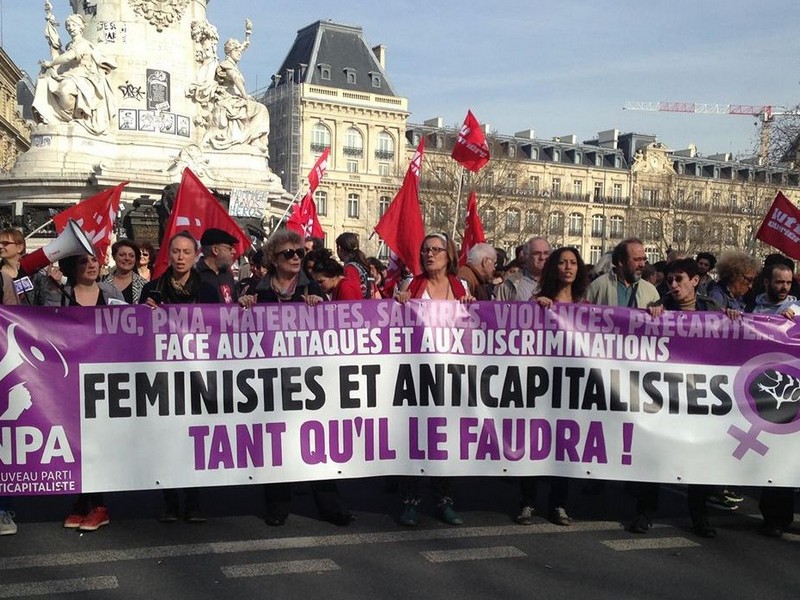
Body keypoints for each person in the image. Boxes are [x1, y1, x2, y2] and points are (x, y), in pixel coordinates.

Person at [251, 230, 353, 527]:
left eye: (300, 253)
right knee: (275, 443)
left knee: (316, 444)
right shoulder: (258, 290)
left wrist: (320, 306)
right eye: (289, 253)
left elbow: (331, 327)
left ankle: (330, 506)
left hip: (309, 380)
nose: (296, 258)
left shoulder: (313, 288)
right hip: (271, 379)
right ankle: (277, 506)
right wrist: (245, 305)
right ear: (274, 259)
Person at [640, 258, 729, 538]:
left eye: (679, 279)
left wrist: (733, 319)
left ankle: (698, 516)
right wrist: (651, 314)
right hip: (664, 396)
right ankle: (645, 512)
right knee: (655, 455)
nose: (673, 285)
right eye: (669, 280)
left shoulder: (712, 310)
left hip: (700, 397)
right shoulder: (659, 308)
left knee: (698, 458)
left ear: (695, 280)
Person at [39, 249, 123, 531]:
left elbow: (127, 327)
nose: (90, 265)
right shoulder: (60, 294)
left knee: (97, 442)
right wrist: (51, 288)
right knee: (76, 441)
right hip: (70, 379)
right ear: (72, 267)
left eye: (94, 260)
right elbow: (45, 325)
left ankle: (98, 505)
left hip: (103, 379)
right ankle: (81, 501)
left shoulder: (110, 293)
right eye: (83, 261)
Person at [394, 233, 474, 527]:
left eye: (436, 250)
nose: (429, 254)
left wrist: (471, 306)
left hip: (450, 375)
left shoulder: (461, 287)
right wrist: (400, 303)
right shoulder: (411, 285)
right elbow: (395, 325)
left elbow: (477, 325)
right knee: (415, 438)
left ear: (448, 255)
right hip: (417, 373)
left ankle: (444, 500)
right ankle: (410, 501)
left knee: (445, 439)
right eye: (425, 250)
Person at [516, 247, 589, 527]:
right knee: (533, 441)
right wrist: (536, 308)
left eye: (573, 263)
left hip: (570, 384)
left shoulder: (585, 303)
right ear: (554, 268)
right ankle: (528, 501)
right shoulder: (538, 300)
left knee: (564, 443)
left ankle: (559, 503)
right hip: (539, 382)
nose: (568, 267)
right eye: (562, 263)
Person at [140, 231, 209, 523]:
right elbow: (138, 330)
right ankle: (169, 499)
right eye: (176, 252)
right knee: (167, 438)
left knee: (194, 438)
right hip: (163, 374)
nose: (181, 257)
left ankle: (193, 500)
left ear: (195, 256)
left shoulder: (207, 290)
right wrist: (146, 313)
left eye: (186, 252)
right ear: (169, 255)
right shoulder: (152, 289)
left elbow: (221, 327)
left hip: (197, 374)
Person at [749, 262, 799, 537]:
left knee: (788, 458)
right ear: (767, 282)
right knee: (772, 458)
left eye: (788, 283)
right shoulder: (753, 309)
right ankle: (772, 517)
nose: (784, 288)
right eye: (779, 282)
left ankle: (783, 516)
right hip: (763, 392)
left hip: (791, 393)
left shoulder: (796, 310)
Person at [33, 13, 116, 135]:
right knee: (43, 81)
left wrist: (51, 63)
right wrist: (53, 40)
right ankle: (53, 117)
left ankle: (70, 117)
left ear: (81, 27)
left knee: (65, 88)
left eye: (74, 25)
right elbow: (63, 58)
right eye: (69, 26)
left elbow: (68, 57)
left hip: (84, 77)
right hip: (70, 76)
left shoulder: (83, 44)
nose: (70, 28)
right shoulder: (70, 45)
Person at [206, 32, 270, 152]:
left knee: (260, 109)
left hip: (234, 98)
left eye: (239, 50)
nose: (239, 53)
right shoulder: (226, 64)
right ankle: (253, 138)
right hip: (227, 99)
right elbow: (235, 78)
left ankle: (254, 138)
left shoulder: (232, 65)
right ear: (229, 52)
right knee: (261, 109)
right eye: (236, 50)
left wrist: (247, 38)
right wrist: (244, 95)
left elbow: (235, 85)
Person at [586, 238, 660, 308]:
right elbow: (584, 313)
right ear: (621, 261)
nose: (642, 264)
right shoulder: (598, 286)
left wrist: (658, 311)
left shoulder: (650, 291)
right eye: (637, 259)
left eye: (644, 259)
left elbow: (660, 315)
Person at [496, 236, 551, 301]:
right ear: (526, 256)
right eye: (536, 253)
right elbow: (500, 307)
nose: (542, 257)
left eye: (546, 253)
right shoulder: (509, 284)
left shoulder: (559, 282)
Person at [197, 228, 239, 304]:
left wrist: (241, 304)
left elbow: (233, 302)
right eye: (230, 248)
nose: (234, 252)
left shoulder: (227, 275)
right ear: (215, 250)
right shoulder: (194, 275)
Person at [104, 239, 147, 304]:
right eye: (122, 255)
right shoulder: (102, 282)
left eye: (131, 256)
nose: (127, 258)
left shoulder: (144, 285)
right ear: (114, 257)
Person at [335, 232, 376, 299]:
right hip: (370, 303)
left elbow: (350, 294)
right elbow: (376, 294)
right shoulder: (364, 265)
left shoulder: (350, 269)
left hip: (358, 304)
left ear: (339, 248)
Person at [0, 228, 28, 304]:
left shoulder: (34, 273)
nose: (0, 246)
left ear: (20, 248)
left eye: (5, 243)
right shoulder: (1, 275)